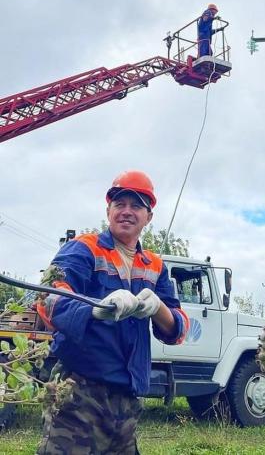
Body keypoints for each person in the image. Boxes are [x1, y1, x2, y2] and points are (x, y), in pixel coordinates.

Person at [36, 170, 190, 455]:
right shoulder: (83, 249)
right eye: (120, 204)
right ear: (108, 210)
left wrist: (158, 309)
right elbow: (48, 300)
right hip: (78, 393)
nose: (127, 211)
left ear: (149, 217)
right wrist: (94, 311)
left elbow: (179, 328)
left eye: (136, 205)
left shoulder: (155, 266)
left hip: (128, 402)